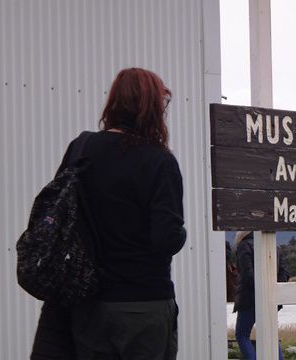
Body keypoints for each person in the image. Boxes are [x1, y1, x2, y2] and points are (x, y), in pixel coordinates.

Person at [31, 68, 186, 360]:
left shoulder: (83, 148)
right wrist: (182, 232)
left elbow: (60, 213)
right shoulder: (160, 161)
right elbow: (166, 239)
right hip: (143, 305)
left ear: (114, 103)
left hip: (89, 303)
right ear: (152, 108)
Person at [233, 231, 289, 360]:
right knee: (271, 334)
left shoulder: (244, 245)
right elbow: (284, 272)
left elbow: (247, 274)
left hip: (249, 299)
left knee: (242, 334)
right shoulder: (274, 246)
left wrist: (261, 290)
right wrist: (272, 290)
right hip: (271, 299)